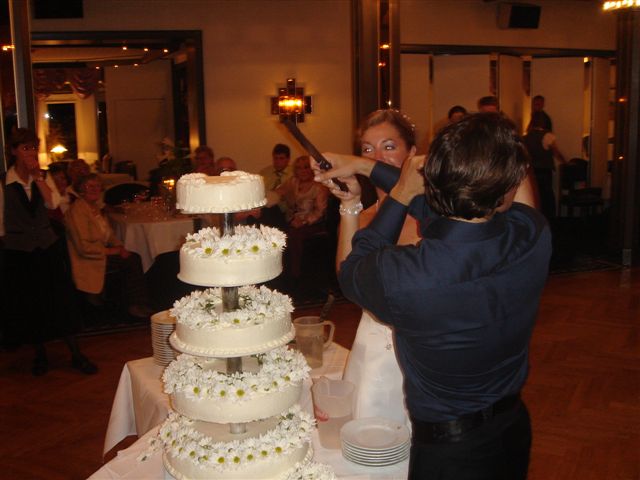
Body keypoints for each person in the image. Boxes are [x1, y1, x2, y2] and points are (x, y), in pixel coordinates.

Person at [314, 113, 551, 479]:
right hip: (512, 429)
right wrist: (364, 167)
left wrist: (400, 193)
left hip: (450, 452)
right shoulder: (531, 233)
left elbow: (352, 268)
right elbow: (450, 205)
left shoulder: (408, 276)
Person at [340, 109, 420, 425]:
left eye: (389, 146)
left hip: (423, 346)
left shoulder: (435, 214)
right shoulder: (363, 217)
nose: (377, 157)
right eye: (367, 149)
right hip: (373, 345)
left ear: (412, 153)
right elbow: (346, 276)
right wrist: (349, 205)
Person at [2, 128, 97, 375]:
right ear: (14, 151)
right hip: (20, 252)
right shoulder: (4, 182)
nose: (31, 152)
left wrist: (38, 178)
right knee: (31, 304)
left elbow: (52, 203)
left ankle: (76, 354)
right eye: (25, 148)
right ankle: (40, 354)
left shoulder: (42, 176)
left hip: (46, 247)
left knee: (61, 300)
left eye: (34, 147)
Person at [65, 174, 153, 319]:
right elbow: (83, 248)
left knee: (132, 256)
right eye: (90, 186)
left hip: (100, 252)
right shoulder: (78, 210)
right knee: (132, 260)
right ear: (81, 189)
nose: (95, 189)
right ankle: (135, 304)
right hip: (88, 258)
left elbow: (109, 235)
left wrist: (120, 247)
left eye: (98, 186)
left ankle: (136, 302)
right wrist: (113, 251)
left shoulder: (94, 208)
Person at [275, 155, 329, 278]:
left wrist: (304, 221)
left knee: (294, 236)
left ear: (312, 169)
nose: (303, 171)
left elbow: (320, 212)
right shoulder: (292, 182)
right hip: (291, 221)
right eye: (299, 168)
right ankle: (280, 271)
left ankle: (295, 275)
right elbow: (278, 193)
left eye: (306, 167)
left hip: (313, 224)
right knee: (277, 232)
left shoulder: (319, 187)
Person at [523, 111, 566, 220]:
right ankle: (550, 220)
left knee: (536, 196)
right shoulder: (547, 135)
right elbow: (556, 152)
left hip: (532, 171)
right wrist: (565, 162)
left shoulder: (526, 137)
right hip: (544, 171)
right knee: (547, 197)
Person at [258, 143, 292, 229]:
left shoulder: (294, 173)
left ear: (288, 159)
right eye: (275, 158)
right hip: (267, 207)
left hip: (286, 209)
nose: (278, 162)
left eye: (281, 158)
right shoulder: (264, 173)